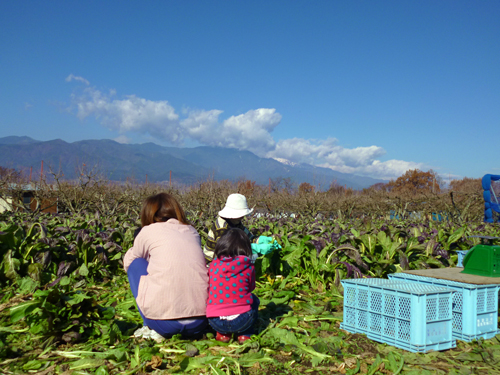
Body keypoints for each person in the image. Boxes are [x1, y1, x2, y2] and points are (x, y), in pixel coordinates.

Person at [124, 193, 209, 341]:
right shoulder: (192, 231)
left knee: (136, 263)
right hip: (200, 322)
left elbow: (129, 261)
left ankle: (149, 326)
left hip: (163, 324)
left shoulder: (148, 231)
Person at [206, 228, 260, 344]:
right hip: (242, 319)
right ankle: (245, 334)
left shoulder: (214, 264)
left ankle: (223, 334)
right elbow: (251, 287)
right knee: (254, 300)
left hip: (215, 320)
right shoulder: (248, 265)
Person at [203, 193, 257, 262]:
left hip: (229, 259)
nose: (242, 217)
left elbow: (249, 237)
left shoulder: (236, 222)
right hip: (214, 263)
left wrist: (260, 240)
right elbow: (225, 252)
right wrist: (252, 248)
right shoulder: (221, 227)